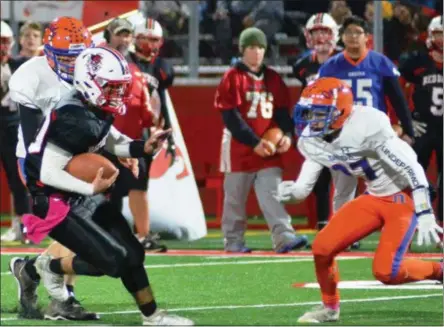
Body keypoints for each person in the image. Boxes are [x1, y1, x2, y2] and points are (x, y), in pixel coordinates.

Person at [14, 46, 193, 326]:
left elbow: (110, 137)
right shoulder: (71, 116)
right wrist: (88, 189)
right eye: (112, 87)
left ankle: (153, 316)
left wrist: (141, 148)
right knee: (113, 261)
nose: (118, 94)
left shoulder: (91, 106)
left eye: (120, 87)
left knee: (133, 253)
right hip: (51, 200)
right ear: (90, 82)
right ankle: (44, 267)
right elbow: (47, 171)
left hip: (76, 191)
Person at [275, 77, 443, 323]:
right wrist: (296, 191)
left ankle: (439, 270)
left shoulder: (367, 125)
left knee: (387, 271)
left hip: (403, 196)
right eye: (309, 112)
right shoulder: (314, 138)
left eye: (319, 113)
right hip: (374, 195)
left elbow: (411, 167)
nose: (311, 120)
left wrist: (425, 210)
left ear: (340, 110)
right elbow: (309, 174)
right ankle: (329, 308)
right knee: (322, 248)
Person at [8, 16, 97, 320]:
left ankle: (29, 271)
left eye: (77, 56)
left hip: (76, 156)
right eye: (66, 57)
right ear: (49, 53)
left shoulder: (93, 65)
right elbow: (35, 138)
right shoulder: (29, 77)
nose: (74, 63)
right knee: (74, 230)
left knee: (83, 230)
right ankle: (62, 298)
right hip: (38, 160)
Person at [214, 27, 308, 253]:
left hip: (268, 148)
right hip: (239, 147)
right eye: (251, 47)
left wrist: (286, 135)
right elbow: (231, 117)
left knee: (273, 193)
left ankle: (284, 237)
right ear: (243, 50)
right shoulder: (232, 77)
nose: (256, 52)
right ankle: (233, 241)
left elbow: (283, 113)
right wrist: (254, 141)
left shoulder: (273, 78)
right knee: (235, 198)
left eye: (260, 47)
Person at [102, 17, 167, 252]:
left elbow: (153, 107)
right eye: (121, 34)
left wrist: (159, 127)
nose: (125, 39)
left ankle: (141, 235)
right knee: (107, 188)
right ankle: (103, 234)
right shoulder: (103, 61)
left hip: (134, 136)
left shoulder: (151, 70)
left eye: (128, 35)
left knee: (136, 185)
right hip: (105, 133)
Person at [318, 16, 415, 145]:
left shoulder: (380, 62)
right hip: (342, 132)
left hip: (374, 132)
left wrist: (409, 131)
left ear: (367, 37)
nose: (353, 36)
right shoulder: (329, 67)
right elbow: (321, 103)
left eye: (358, 32)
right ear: (342, 37)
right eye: (348, 32)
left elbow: (398, 99)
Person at [291, 13, 340, 231]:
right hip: (317, 126)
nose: (320, 37)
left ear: (334, 35)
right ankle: (323, 224)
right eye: (315, 32)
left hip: (341, 125)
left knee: (344, 179)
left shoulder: (343, 60)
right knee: (320, 179)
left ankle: (348, 226)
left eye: (325, 32)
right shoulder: (302, 66)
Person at [398, 15, 443, 226]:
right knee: (414, 172)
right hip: (422, 126)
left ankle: (441, 223)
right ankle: (413, 218)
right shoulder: (417, 60)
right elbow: (395, 89)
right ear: (431, 35)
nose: (442, 39)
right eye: (439, 34)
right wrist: (406, 119)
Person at [0, 21, 32, 243]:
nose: (3, 46)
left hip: (12, 126)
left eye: (5, 41)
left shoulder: (20, 64)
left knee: (17, 177)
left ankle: (22, 225)